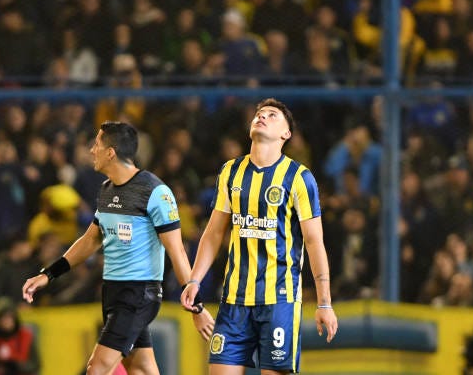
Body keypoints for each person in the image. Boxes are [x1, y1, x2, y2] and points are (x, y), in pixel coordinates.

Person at [22, 121, 214, 375]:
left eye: (97, 144)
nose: (92, 150)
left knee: (96, 369)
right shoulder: (105, 190)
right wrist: (48, 274)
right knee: (141, 368)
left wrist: (196, 306)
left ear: (111, 152)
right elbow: (90, 240)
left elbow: (177, 251)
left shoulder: (155, 191)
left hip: (137, 295)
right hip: (113, 293)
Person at [181, 98, 338, 374]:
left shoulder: (299, 178)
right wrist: (195, 278)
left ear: (286, 133)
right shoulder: (231, 171)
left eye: (272, 115)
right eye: (260, 114)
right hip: (234, 301)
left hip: (279, 301)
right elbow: (214, 232)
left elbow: (314, 242)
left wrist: (324, 302)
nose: (262, 117)